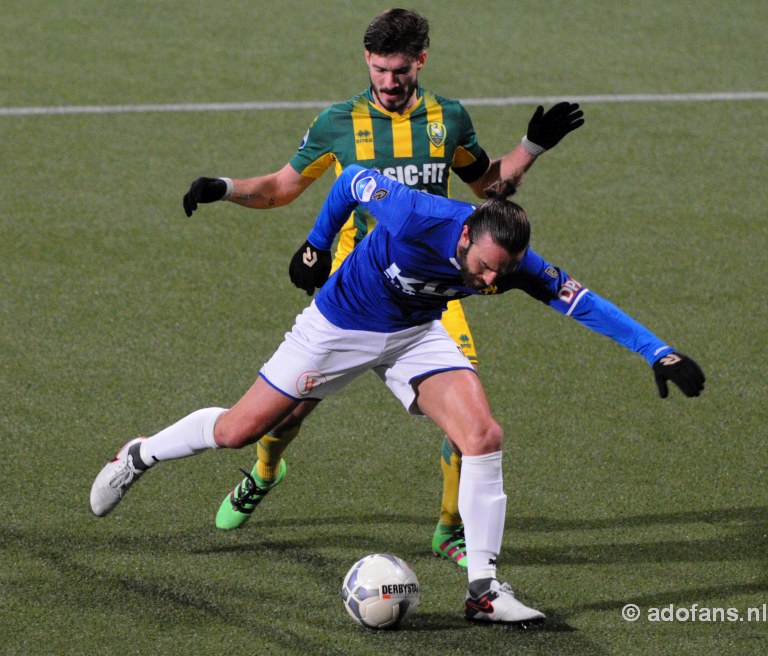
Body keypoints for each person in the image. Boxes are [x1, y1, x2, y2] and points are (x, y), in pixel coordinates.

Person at [91, 165, 705, 625]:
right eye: (485, 267)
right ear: (465, 237)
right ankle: (139, 455)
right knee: (237, 432)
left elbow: (582, 302)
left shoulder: (511, 262)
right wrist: (318, 242)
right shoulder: (417, 215)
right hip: (338, 326)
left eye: (502, 272)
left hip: (414, 334)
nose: (492, 282)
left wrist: (659, 351)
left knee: (482, 436)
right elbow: (352, 180)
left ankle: (484, 593)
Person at [181, 8, 584, 566]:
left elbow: (490, 188)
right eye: (378, 70)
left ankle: (450, 530)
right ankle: (266, 471)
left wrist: (531, 147)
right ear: (366, 62)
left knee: (468, 421)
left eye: (399, 70)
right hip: (355, 288)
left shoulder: (448, 119)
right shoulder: (338, 123)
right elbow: (280, 188)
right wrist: (222, 188)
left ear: (420, 60)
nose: (388, 83)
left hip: (433, 289)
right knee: (288, 413)